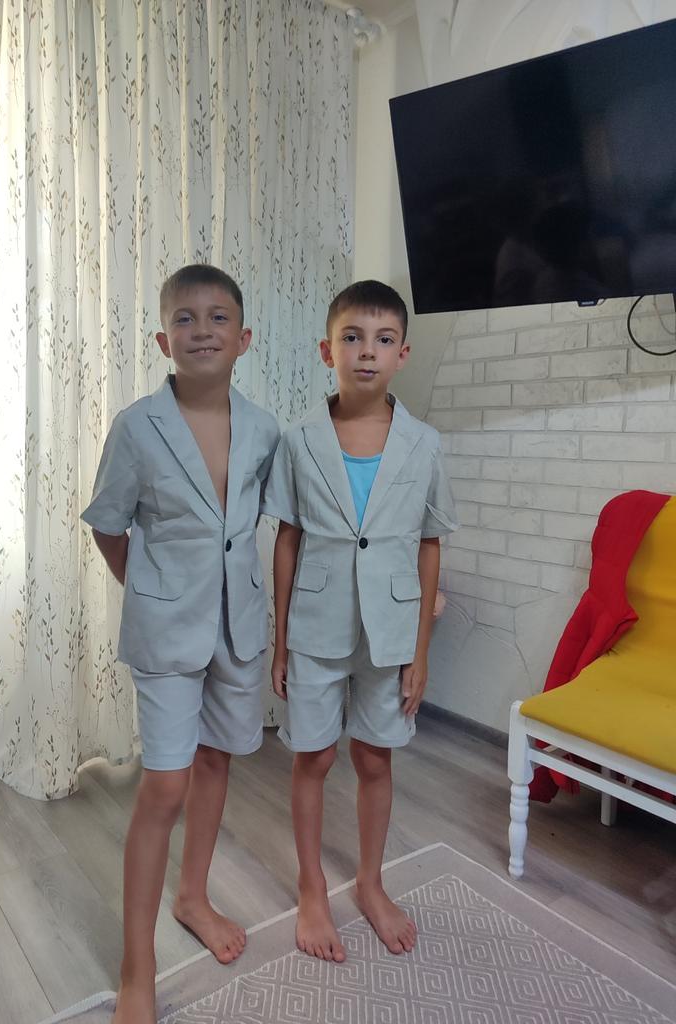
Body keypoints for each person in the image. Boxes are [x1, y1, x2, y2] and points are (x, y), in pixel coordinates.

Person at [81, 264, 280, 1024]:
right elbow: (109, 525)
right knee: (165, 785)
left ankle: (193, 896)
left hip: (239, 627)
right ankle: (137, 967)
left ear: (244, 338)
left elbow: (270, 525)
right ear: (164, 340)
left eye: (218, 317)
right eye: (185, 320)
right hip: (166, 631)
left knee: (216, 761)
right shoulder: (138, 427)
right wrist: (151, 590)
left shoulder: (264, 430)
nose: (202, 331)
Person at [263, 279, 458, 962]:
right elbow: (286, 539)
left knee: (375, 755)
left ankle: (371, 883)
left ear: (402, 353)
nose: (366, 351)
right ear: (328, 350)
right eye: (352, 337)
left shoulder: (425, 444)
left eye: (382, 339)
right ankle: (311, 886)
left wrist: (421, 650)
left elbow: (430, 544)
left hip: (391, 631)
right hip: (316, 627)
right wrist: (281, 642)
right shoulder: (298, 440)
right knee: (314, 756)